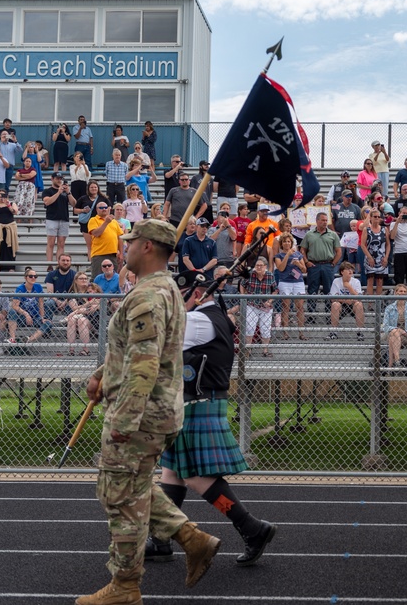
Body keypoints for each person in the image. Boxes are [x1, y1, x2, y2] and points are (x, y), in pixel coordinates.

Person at [80, 219, 221, 605]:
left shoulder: (146, 296)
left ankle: (125, 586)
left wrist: (124, 419)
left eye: (130, 241)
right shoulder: (165, 290)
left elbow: (143, 365)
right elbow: (136, 353)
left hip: (141, 415)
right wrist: (102, 375)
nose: (123, 247)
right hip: (159, 410)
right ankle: (193, 539)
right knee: (137, 488)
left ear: (146, 247)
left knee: (120, 496)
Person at [145, 268, 276, 567]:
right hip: (192, 403)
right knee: (172, 472)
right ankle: (162, 540)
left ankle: (251, 528)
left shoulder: (198, 320)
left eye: (179, 296)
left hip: (198, 404)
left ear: (196, 294)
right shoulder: (207, 316)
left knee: (194, 475)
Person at [240, 257, 277, 356]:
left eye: (261, 265)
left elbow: (275, 290)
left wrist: (269, 301)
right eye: (257, 265)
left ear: (265, 266)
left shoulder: (270, 275)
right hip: (252, 304)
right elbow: (242, 284)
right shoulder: (250, 274)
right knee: (249, 327)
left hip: (266, 307)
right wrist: (243, 296)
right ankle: (248, 350)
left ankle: (265, 350)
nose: (259, 267)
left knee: (265, 328)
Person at [301, 212, 342, 299]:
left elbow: (339, 251)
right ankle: (311, 310)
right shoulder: (309, 234)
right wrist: (307, 262)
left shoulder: (333, 234)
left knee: (329, 289)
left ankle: (329, 311)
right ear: (317, 221)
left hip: (328, 265)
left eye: (326, 220)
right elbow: (302, 250)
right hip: (313, 265)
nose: (325, 222)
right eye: (323, 220)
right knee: (312, 289)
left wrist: (333, 264)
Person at [274, 233, 307, 340]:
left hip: (298, 282)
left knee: (300, 308)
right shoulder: (278, 256)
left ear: (291, 242)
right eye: (284, 241)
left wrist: (298, 264)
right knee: (286, 307)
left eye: (288, 241)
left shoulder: (298, 254)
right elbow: (280, 268)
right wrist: (287, 255)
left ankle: (301, 333)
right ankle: (285, 334)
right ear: (281, 244)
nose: (287, 243)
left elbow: (304, 270)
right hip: (285, 282)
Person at [381, 283, 407, 366]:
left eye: (404, 291)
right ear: (395, 293)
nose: (402, 293)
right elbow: (385, 326)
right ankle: (397, 360)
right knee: (394, 333)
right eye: (400, 291)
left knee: (393, 337)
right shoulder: (389, 308)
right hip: (391, 334)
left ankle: (391, 366)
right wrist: (398, 330)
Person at [42, 173, 76, 263]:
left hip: (64, 219)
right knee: (51, 243)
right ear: (52, 179)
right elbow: (47, 202)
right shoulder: (47, 191)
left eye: (60, 178)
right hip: (51, 219)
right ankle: (49, 264)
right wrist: (58, 192)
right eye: (57, 178)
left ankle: (59, 264)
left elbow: (74, 204)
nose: (59, 180)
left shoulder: (66, 192)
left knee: (61, 244)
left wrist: (68, 192)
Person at [328, 261, 365, 340]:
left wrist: (350, 288)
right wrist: (345, 300)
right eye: (347, 269)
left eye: (351, 269)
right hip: (341, 304)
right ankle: (334, 331)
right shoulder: (336, 281)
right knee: (335, 305)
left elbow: (359, 298)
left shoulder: (356, 281)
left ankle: (360, 332)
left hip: (352, 304)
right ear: (342, 272)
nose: (350, 271)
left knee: (359, 305)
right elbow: (333, 298)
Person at [88, 202, 125, 277]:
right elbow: (96, 233)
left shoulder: (114, 222)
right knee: (97, 278)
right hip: (99, 254)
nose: (104, 209)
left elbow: (120, 238)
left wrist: (121, 253)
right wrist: (106, 222)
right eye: (101, 208)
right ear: (97, 210)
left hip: (113, 255)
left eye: (105, 207)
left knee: (114, 279)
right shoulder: (93, 220)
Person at [361, 208, 390, 295]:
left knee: (380, 281)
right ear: (371, 218)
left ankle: (378, 303)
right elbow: (363, 244)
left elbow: (388, 244)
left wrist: (386, 257)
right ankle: (370, 303)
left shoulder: (384, 229)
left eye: (378, 216)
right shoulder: (366, 230)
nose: (377, 218)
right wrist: (369, 257)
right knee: (370, 281)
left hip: (381, 258)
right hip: (370, 257)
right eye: (375, 216)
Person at [180, 217, 219, 283]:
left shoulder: (212, 242)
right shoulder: (188, 241)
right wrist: (194, 271)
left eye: (206, 226)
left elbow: (214, 260)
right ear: (196, 227)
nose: (204, 228)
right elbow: (185, 259)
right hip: (192, 275)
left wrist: (203, 269)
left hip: (207, 274)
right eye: (202, 226)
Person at [0, 190, 18, 272]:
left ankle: (11, 267)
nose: (2, 197)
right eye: (0, 195)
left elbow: (15, 212)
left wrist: (8, 204)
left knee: (10, 247)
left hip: (9, 228)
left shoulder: (11, 203)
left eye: (4, 195)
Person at [45, 253, 76, 319]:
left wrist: (65, 301)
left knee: (73, 302)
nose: (65, 262)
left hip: (69, 300)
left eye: (68, 261)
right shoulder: (51, 274)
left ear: (70, 262)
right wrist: (57, 301)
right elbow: (50, 292)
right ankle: (47, 322)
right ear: (58, 261)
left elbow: (74, 292)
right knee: (49, 303)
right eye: (63, 260)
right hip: (55, 300)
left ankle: (69, 322)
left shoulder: (75, 275)